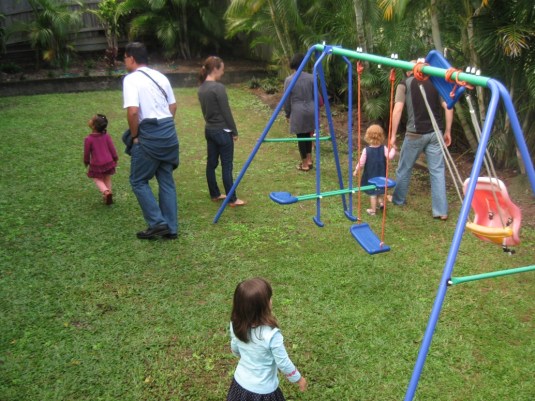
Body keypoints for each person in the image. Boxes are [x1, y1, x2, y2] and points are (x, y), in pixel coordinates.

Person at [122, 42, 180, 239]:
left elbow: (133, 112)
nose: (124, 62)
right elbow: (173, 106)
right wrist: (165, 127)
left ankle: (157, 223)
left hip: (149, 134)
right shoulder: (160, 76)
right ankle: (171, 228)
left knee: (138, 180)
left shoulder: (131, 80)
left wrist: (135, 136)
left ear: (131, 58)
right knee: (166, 180)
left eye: (125, 58)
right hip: (168, 132)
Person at [389, 63, 453, 220]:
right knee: (437, 171)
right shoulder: (435, 82)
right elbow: (448, 106)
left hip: (414, 134)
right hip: (435, 133)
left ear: (408, 72)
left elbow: (398, 110)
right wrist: (447, 131)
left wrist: (393, 135)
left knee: (404, 167)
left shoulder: (404, 83)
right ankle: (441, 211)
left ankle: (398, 200)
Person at [227, 277, 307, 400]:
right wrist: (298, 378)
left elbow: (235, 347)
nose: (271, 300)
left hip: (239, 384)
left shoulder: (235, 324)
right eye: (269, 298)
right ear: (262, 307)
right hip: (263, 392)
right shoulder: (272, 335)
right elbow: (283, 363)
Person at [198, 56, 246, 207]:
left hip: (209, 130)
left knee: (211, 163)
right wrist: (234, 131)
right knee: (227, 166)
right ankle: (232, 199)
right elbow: (226, 112)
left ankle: (215, 194)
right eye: (222, 69)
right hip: (222, 132)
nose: (223, 72)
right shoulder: (218, 88)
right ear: (215, 69)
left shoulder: (201, 88)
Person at [283, 53, 317, 172]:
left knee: (301, 136)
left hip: (298, 110)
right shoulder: (311, 78)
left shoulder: (289, 80)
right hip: (311, 109)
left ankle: (305, 164)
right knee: (308, 134)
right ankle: (309, 159)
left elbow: (286, 99)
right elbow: (317, 96)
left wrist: (287, 113)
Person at [353, 124, 396, 215]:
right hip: (381, 174)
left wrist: (356, 170)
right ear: (381, 136)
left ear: (368, 136)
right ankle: (381, 203)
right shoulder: (383, 148)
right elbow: (390, 156)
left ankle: (373, 211)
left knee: (373, 193)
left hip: (371, 175)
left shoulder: (366, 150)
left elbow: (361, 163)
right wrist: (393, 149)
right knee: (379, 189)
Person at [83, 114, 118, 205]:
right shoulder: (106, 136)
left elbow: (86, 153)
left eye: (91, 119)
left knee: (97, 178)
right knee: (107, 177)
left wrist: (86, 161)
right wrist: (115, 158)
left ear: (94, 126)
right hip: (109, 162)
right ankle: (108, 196)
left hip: (97, 164)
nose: (90, 120)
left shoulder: (88, 139)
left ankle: (106, 192)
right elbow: (112, 149)